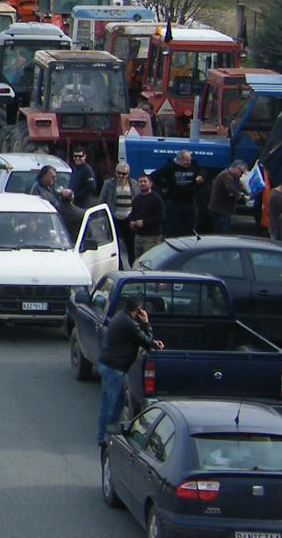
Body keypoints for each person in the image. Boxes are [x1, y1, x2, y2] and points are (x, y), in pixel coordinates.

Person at [97, 294, 163, 447]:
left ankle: (111, 432)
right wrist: (146, 322)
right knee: (109, 404)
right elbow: (145, 341)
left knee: (118, 402)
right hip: (114, 369)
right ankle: (103, 438)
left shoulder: (120, 317)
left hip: (110, 366)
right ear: (138, 309)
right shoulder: (129, 324)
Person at [153, 150, 204, 236]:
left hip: (190, 203)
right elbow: (155, 176)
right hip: (174, 203)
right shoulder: (170, 167)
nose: (189, 162)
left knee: (190, 229)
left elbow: (199, 177)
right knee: (173, 230)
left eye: (190, 160)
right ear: (180, 160)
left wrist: (199, 181)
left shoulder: (193, 166)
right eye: (187, 160)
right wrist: (164, 186)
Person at [127, 175, 166, 261]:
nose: (142, 183)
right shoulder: (136, 199)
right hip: (138, 237)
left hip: (152, 237)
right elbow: (132, 213)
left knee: (149, 262)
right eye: (140, 182)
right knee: (138, 261)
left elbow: (161, 217)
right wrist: (131, 222)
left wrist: (144, 222)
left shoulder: (156, 198)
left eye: (145, 181)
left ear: (150, 184)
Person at [204, 160, 247, 234]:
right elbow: (230, 188)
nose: (241, 175)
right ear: (236, 168)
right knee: (223, 233)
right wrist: (238, 195)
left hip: (220, 209)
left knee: (222, 230)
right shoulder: (227, 176)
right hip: (220, 210)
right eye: (241, 172)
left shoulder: (227, 174)